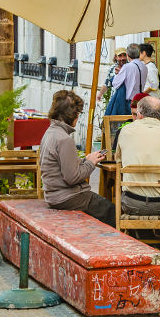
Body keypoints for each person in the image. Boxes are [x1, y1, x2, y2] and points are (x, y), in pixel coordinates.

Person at [39, 90, 114, 226]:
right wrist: (91, 163)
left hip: (55, 195)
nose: (78, 118)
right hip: (68, 197)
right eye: (78, 114)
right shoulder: (64, 139)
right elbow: (72, 178)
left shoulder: (50, 132)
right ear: (71, 115)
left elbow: (63, 167)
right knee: (112, 212)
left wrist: (86, 160)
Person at [115, 96, 160, 216]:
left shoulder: (126, 130)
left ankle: (139, 232)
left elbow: (119, 161)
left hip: (132, 203)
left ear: (139, 115)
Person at [104, 44, 146, 117]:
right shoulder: (144, 66)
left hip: (129, 102)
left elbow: (115, 84)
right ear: (139, 53)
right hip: (141, 100)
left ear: (127, 55)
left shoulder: (127, 67)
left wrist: (118, 74)